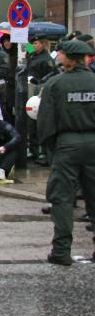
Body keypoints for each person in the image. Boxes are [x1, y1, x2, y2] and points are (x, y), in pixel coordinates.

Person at [36, 39, 95, 266]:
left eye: (61, 54)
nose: (58, 57)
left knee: (62, 198)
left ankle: (61, 251)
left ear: (70, 59)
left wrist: (52, 149)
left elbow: (45, 122)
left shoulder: (55, 84)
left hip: (66, 144)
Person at [27, 35, 57, 165]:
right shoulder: (32, 56)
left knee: (38, 120)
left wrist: (40, 81)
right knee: (31, 122)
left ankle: (41, 152)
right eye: (33, 43)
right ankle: (34, 150)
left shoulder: (47, 58)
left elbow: (52, 73)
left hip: (40, 89)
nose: (34, 45)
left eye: (37, 43)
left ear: (43, 44)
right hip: (30, 87)